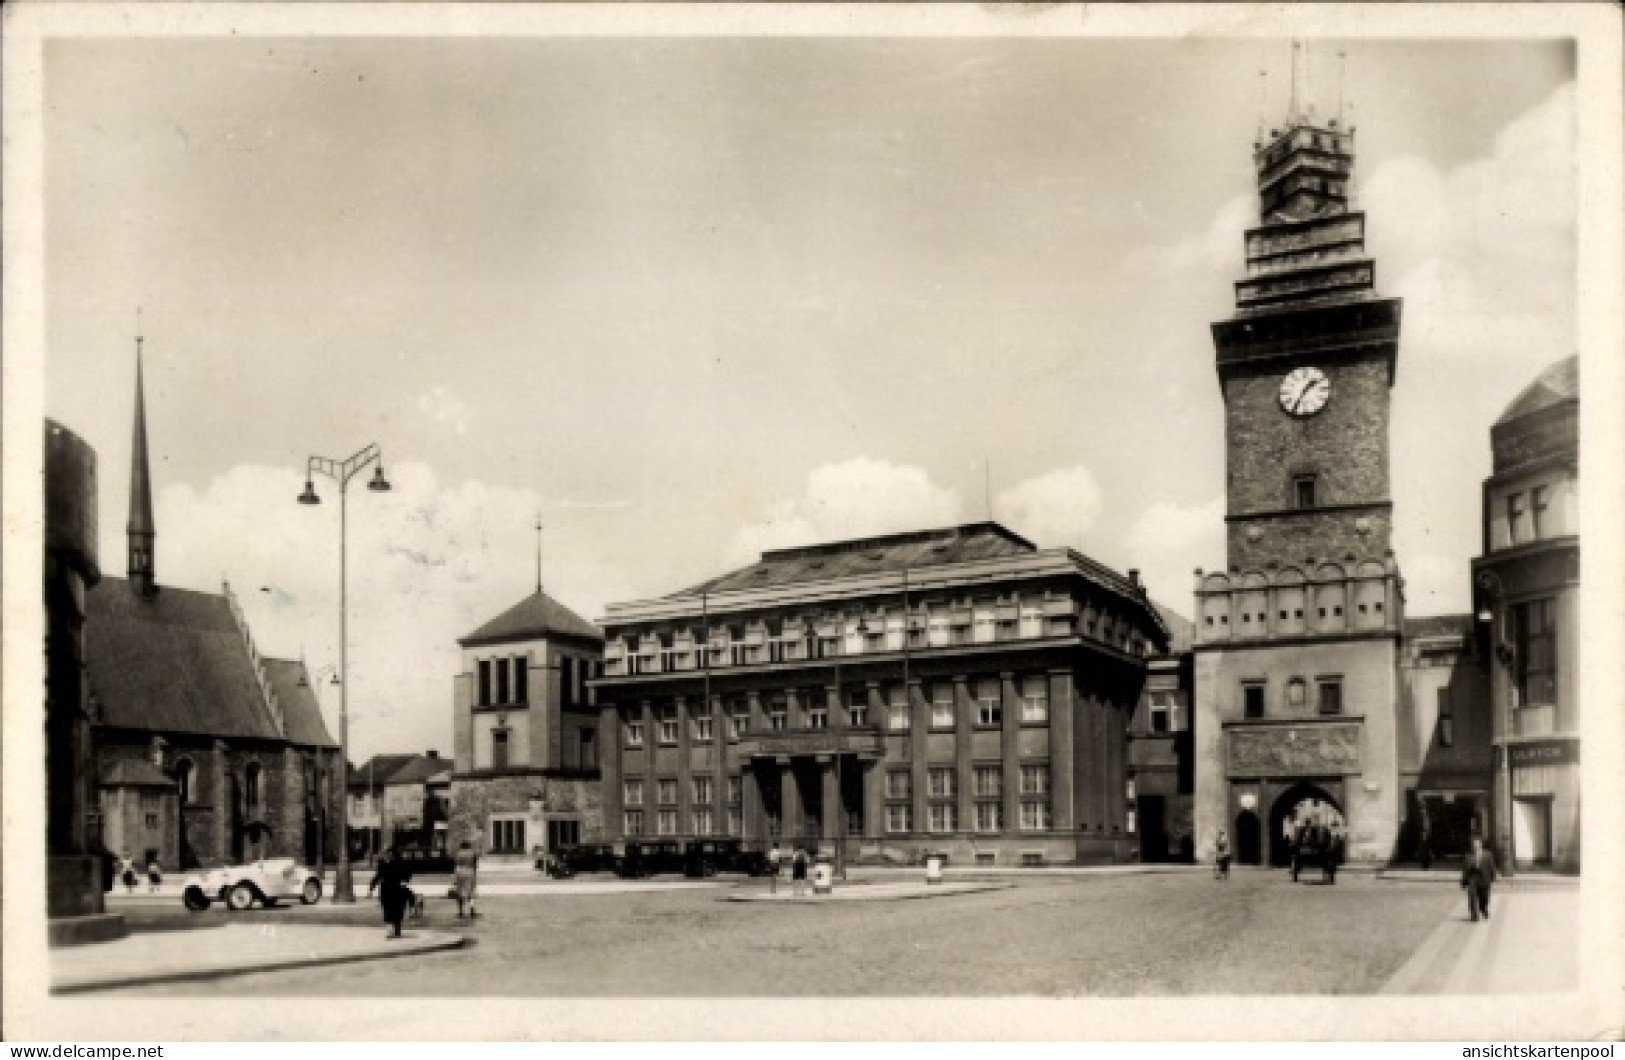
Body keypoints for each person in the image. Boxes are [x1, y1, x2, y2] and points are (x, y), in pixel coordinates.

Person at [367, 847, 413, 939]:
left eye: (389, 854)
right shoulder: (383, 865)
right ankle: (390, 931)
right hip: (386, 891)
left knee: (398, 910)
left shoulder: (400, 863)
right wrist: (372, 888)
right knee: (388, 910)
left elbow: (407, 873)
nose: (387, 856)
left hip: (397, 890)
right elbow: (378, 876)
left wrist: (405, 880)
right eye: (386, 854)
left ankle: (397, 930)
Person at [1460, 836, 1497, 922]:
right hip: (1473, 878)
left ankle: (1483, 908)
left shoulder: (1488, 855)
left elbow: (1492, 866)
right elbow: (1465, 870)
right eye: (1473, 844)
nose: (1475, 846)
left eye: (1477, 844)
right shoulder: (1468, 856)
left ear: (1480, 845)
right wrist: (1463, 881)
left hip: (1484, 878)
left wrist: (1493, 876)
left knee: (1484, 897)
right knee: (1472, 896)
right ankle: (1474, 915)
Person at [453, 838, 480, 920]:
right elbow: (475, 864)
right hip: (470, 872)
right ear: (469, 846)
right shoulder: (472, 853)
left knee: (460, 891)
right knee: (470, 891)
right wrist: (474, 873)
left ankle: (461, 911)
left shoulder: (458, 853)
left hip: (459, 872)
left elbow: (456, 863)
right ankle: (472, 909)